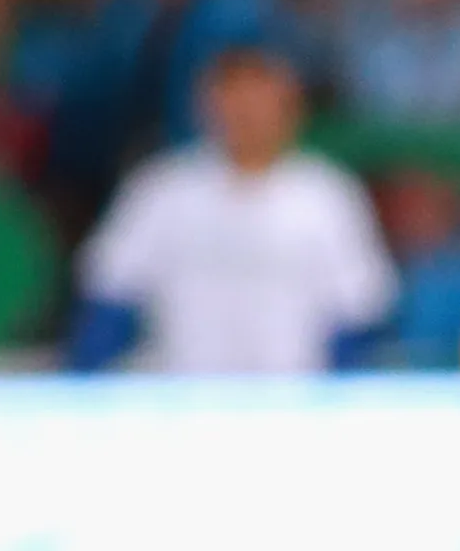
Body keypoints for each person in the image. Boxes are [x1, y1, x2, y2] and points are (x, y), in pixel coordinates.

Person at [69, 42, 394, 374]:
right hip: (180, 404)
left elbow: (358, 312)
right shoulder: (162, 189)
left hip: (294, 406)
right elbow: (109, 300)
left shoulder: (327, 194)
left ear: (290, 106)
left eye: (259, 99)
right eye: (231, 98)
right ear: (205, 106)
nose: (246, 113)